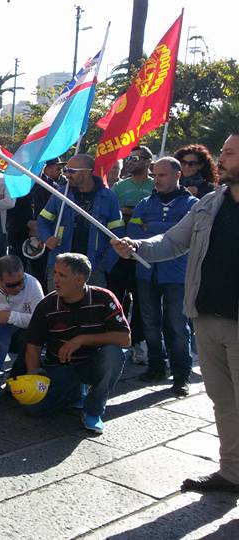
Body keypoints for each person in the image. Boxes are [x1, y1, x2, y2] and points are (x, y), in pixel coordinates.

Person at [111, 133, 239, 493]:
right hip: (207, 316)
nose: (222, 158)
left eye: (230, 152)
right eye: (223, 151)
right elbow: (172, 242)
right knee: (223, 400)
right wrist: (137, 246)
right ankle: (232, 472)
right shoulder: (210, 204)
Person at [22, 253, 129, 434]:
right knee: (34, 408)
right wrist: (33, 377)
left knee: (114, 353)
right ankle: (74, 393)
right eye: (54, 273)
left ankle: (93, 410)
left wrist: (82, 339)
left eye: (62, 275)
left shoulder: (104, 299)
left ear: (79, 280)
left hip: (92, 364)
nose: (55, 279)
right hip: (59, 366)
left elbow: (125, 338)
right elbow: (33, 345)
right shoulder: (47, 305)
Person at [126, 157, 198, 395]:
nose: (156, 180)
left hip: (177, 274)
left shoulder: (192, 204)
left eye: (162, 175)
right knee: (150, 324)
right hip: (146, 272)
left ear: (177, 175)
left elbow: (185, 235)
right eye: (154, 175)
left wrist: (152, 227)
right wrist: (164, 229)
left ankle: (181, 375)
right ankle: (156, 366)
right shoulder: (145, 203)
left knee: (177, 326)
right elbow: (133, 231)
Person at [37, 153, 123, 290]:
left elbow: (117, 233)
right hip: (60, 265)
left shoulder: (108, 197)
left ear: (86, 173)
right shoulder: (61, 194)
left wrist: (104, 264)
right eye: (65, 170)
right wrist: (47, 238)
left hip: (93, 268)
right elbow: (42, 221)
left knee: (92, 304)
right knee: (58, 303)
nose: (66, 174)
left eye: (71, 171)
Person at [110, 146, 154, 366]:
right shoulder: (119, 186)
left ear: (148, 162)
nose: (131, 161)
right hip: (119, 251)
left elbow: (152, 216)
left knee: (142, 300)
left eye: (136, 158)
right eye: (129, 158)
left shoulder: (155, 185)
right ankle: (114, 342)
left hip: (145, 252)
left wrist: (131, 211)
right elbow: (113, 213)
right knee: (116, 298)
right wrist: (132, 212)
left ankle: (138, 342)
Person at [9, 158, 58, 287]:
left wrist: (41, 228)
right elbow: (10, 210)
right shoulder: (16, 185)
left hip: (44, 240)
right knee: (16, 273)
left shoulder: (53, 188)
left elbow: (58, 213)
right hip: (19, 236)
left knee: (41, 276)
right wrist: (27, 223)